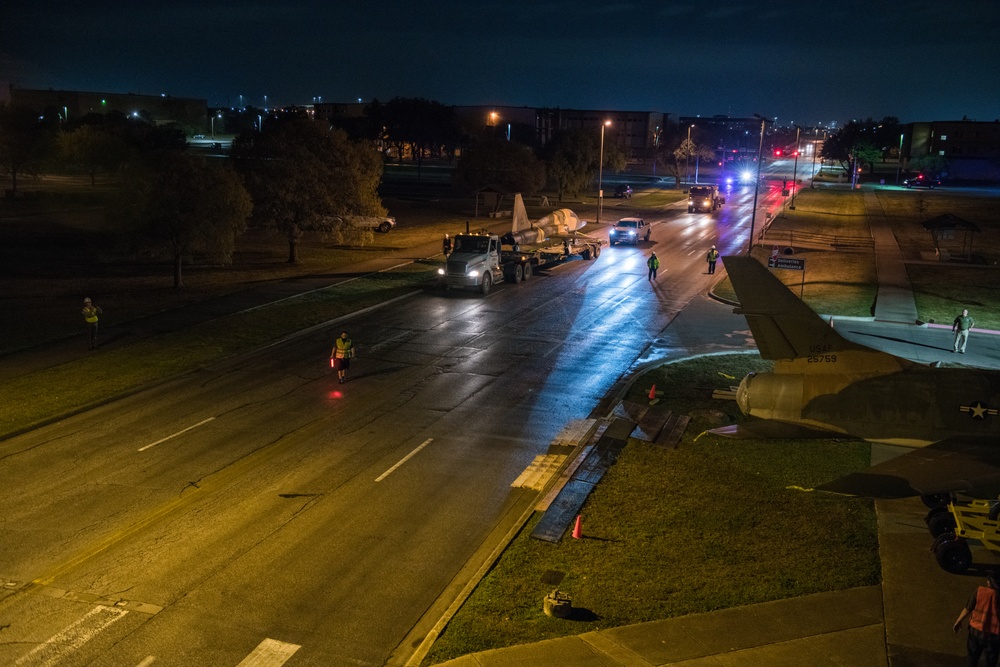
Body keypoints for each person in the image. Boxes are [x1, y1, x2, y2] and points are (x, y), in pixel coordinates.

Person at [954, 571, 1000, 667]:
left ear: (988, 581)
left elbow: (968, 608)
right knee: (990, 663)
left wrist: (958, 621)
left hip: (975, 633)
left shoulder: (979, 591)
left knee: (972, 659)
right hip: (994, 637)